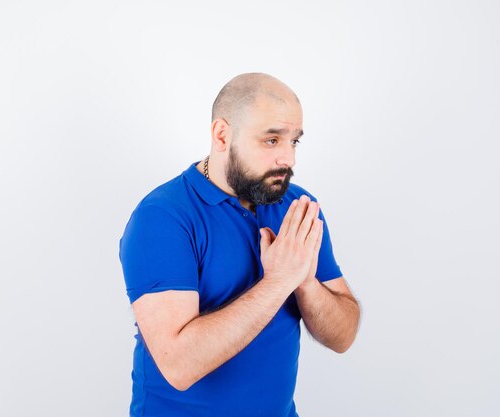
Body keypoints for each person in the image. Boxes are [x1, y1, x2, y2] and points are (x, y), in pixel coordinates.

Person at [118, 72, 360, 417]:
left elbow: (343, 336)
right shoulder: (163, 217)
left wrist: (304, 282)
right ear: (222, 135)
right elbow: (179, 366)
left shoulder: (298, 207)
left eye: (294, 141)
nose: (288, 160)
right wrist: (278, 283)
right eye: (272, 140)